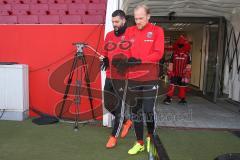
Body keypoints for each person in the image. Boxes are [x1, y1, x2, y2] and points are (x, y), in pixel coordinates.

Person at [123, 4, 165, 155]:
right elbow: (125, 50)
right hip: (133, 78)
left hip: (150, 78)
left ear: (148, 16)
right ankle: (139, 142)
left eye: (141, 18)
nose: (138, 21)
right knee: (135, 111)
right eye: (135, 18)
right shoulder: (129, 31)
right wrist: (128, 59)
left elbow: (158, 53)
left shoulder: (157, 31)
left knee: (147, 110)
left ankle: (150, 138)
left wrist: (140, 60)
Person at [101, 10, 132, 149]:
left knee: (119, 108)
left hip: (123, 78)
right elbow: (105, 52)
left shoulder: (131, 35)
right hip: (109, 75)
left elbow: (135, 56)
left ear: (124, 21)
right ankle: (126, 122)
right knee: (108, 105)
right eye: (113, 22)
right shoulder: (109, 35)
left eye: (117, 22)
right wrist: (105, 59)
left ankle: (113, 137)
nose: (115, 24)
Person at [163, 35, 191, 105]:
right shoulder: (174, 53)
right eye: (179, 45)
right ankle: (168, 98)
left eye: (182, 45)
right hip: (174, 73)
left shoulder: (188, 55)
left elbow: (189, 64)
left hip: (183, 74)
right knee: (171, 86)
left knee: (182, 86)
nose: (180, 46)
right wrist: (170, 72)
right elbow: (171, 63)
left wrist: (187, 73)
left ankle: (182, 98)